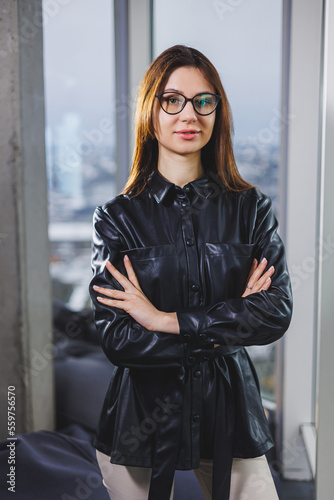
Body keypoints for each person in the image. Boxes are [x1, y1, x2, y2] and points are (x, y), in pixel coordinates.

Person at [89, 45, 292, 500]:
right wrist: (230, 322)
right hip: (139, 419)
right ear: (151, 111)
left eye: (204, 101)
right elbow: (118, 339)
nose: (190, 114)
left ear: (217, 112)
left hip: (230, 411)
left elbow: (276, 312)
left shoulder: (250, 209)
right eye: (172, 99)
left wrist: (166, 320)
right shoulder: (116, 218)